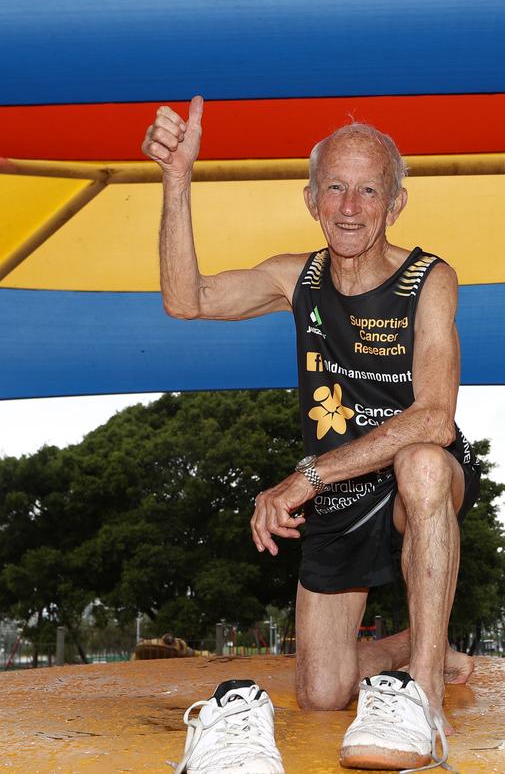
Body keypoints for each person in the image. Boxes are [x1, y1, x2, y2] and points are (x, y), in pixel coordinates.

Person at [142, 96, 481, 773]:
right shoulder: (298, 278)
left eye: (368, 189)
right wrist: (176, 180)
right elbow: (188, 299)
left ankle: (424, 694)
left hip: (411, 468)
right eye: (335, 187)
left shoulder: (429, 279)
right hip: (338, 483)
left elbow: (435, 417)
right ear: (311, 199)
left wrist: (308, 476)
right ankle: (421, 641)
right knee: (324, 694)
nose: (350, 206)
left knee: (420, 461)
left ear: (396, 201)